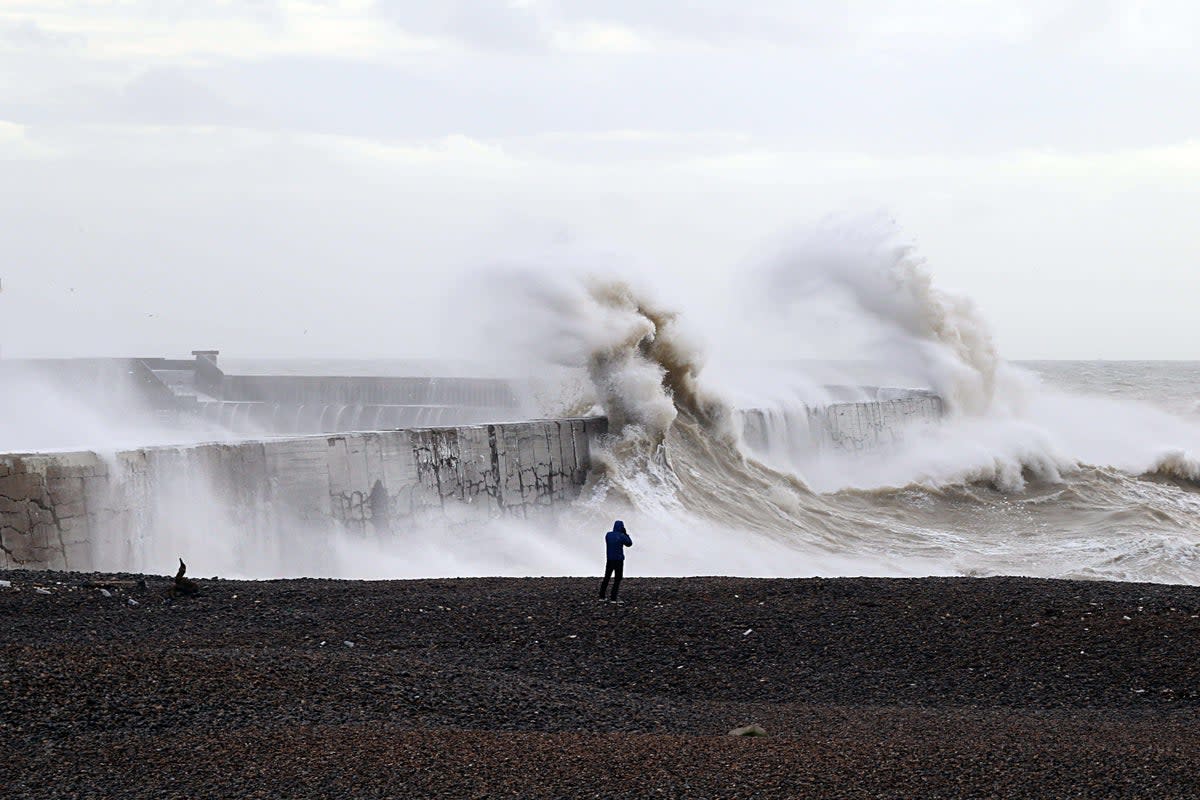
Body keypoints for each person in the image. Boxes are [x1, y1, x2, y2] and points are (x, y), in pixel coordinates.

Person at [599, 520, 632, 602]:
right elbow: (629, 543)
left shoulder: (608, 535)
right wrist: (625, 534)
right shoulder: (621, 536)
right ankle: (613, 598)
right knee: (617, 579)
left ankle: (601, 596)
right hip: (618, 560)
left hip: (609, 559)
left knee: (607, 577)